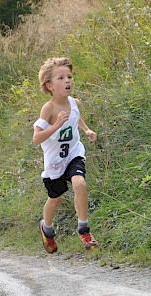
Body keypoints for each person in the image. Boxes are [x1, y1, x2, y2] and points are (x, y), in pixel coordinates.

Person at [33, 57, 98, 253]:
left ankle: (84, 230)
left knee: (80, 183)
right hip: (55, 162)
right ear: (50, 85)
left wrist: (86, 130)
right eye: (60, 78)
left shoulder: (73, 102)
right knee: (56, 198)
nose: (67, 81)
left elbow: (76, 114)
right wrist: (56, 126)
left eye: (69, 76)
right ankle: (47, 228)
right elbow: (36, 138)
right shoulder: (49, 109)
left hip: (73, 154)